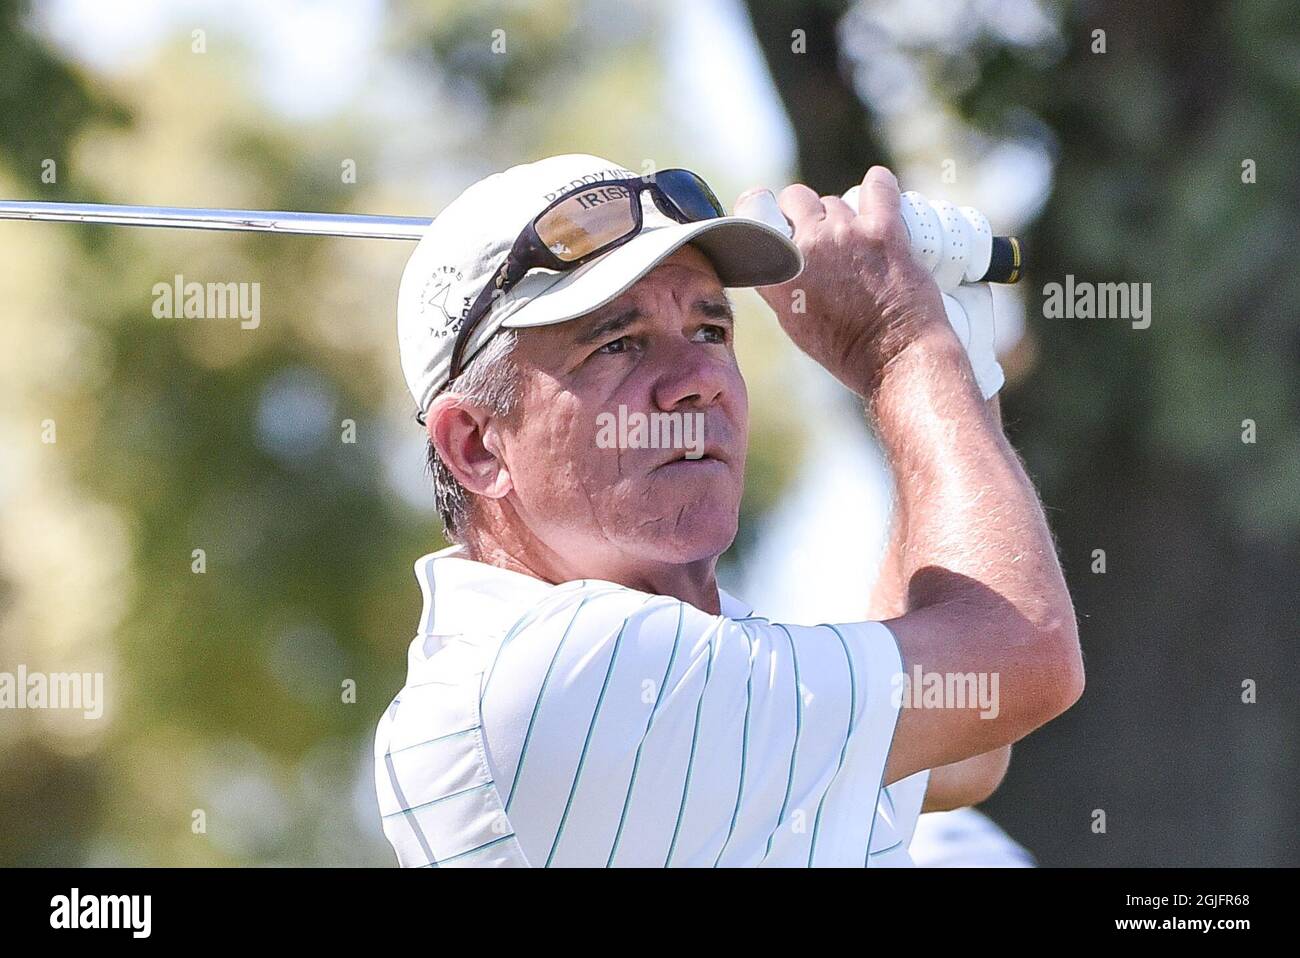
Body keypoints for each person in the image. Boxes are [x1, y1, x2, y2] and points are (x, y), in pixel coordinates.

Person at [373, 153, 1083, 867]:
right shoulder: (558, 669)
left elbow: (964, 745)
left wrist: (955, 357)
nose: (697, 382)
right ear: (475, 447)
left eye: (711, 331)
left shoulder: (664, 658)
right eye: (618, 344)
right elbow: (1018, 662)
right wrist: (901, 346)